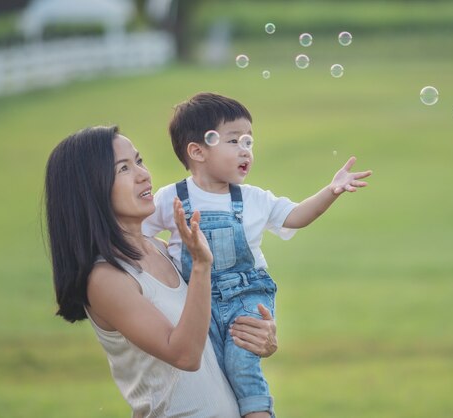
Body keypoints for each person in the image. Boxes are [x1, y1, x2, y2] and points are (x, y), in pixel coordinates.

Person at [142, 92, 373, 417]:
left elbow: (295, 216)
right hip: (198, 300)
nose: (245, 150)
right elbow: (139, 236)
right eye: (234, 140)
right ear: (197, 151)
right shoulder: (171, 198)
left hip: (245, 297)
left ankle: (258, 413)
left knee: (240, 364)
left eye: (249, 141)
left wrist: (331, 191)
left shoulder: (253, 198)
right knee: (208, 369)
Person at [44, 125, 278, 418]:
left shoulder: (164, 249)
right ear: (90, 188)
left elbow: (213, 326)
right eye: (124, 169)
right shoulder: (106, 278)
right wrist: (202, 267)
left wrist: (257, 337)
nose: (144, 174)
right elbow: (185, 354)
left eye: (139, 161)